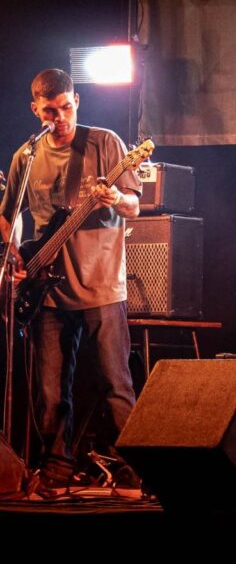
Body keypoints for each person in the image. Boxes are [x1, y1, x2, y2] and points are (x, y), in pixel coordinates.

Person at [0, 69, 142, 493]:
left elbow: (134, 205)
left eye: (66, 107)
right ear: (35, 109)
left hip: (102, 284)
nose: (59, 118)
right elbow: (7, 216)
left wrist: (114, 197)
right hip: (47, 290)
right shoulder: (26, 157)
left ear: (76, 101)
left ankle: (133, 469)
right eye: (50, 111)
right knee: (49, 391)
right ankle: (57, 469)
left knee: (116, 383)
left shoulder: (105, 143)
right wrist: (14, 253)